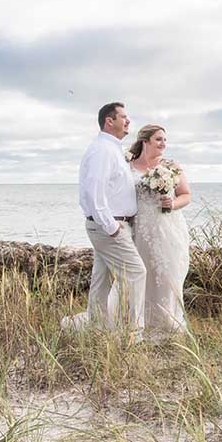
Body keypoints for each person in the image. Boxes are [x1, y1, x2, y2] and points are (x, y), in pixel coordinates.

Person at [62, 102, 146, 333]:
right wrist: (111, 227)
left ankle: (95, 328)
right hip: (109, 226)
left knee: (102, 280)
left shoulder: (111, 148)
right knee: (136, 273)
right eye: (124, 117)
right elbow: (93, 191)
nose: (128, 121)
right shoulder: (102, 150)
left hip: (110, 225)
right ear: (110, 121)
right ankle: (133, 334)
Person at [126, 124, 192, 333]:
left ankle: (166, 321)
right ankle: (137, 322)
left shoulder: (171, 166)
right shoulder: (128, 164)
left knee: (168, 273)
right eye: (158, 139)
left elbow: (186, 195)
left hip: (168, 227)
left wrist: (171, 204)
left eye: (165, 139)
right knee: (141, 274)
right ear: (145, 141)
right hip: (141, 228)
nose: (163, 144)